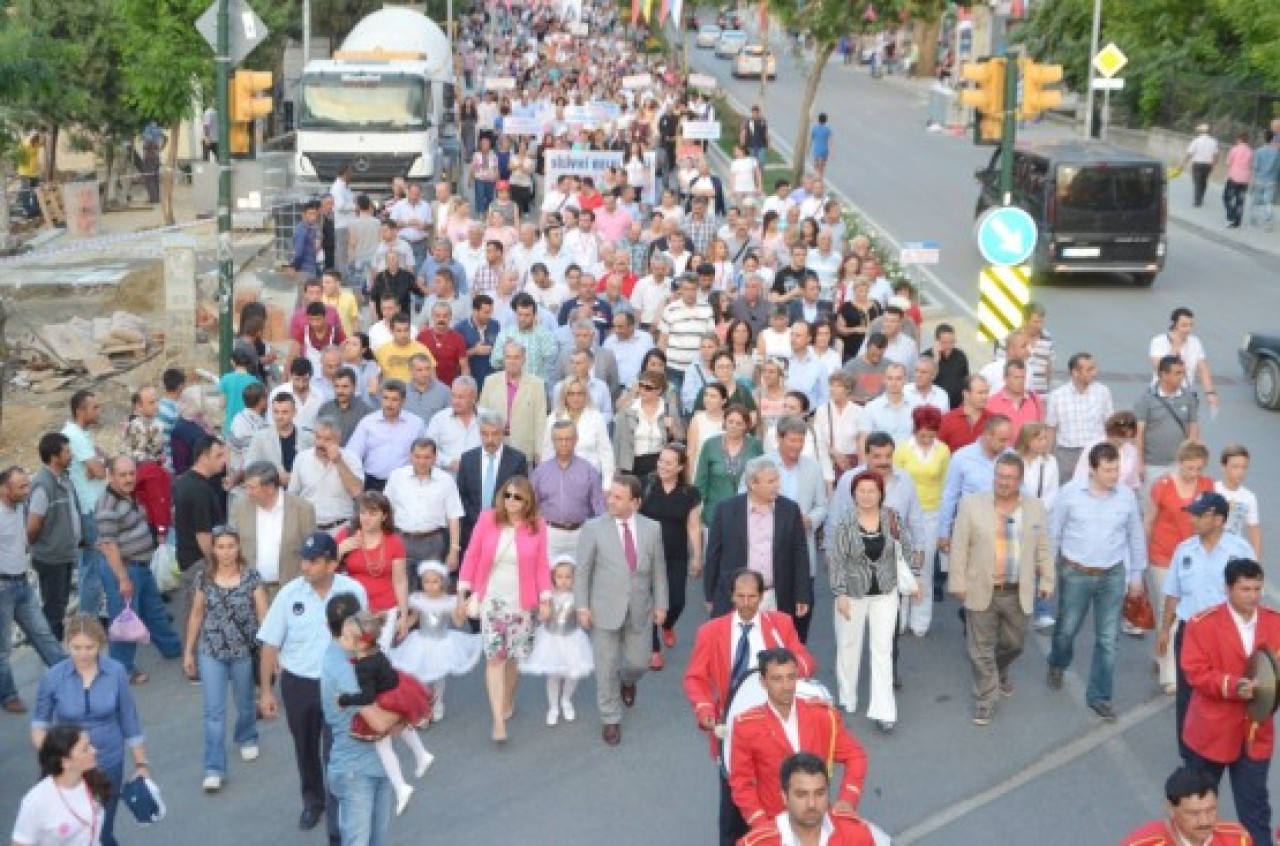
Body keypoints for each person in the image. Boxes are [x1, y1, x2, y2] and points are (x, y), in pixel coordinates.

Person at [684, 569, 816, 846]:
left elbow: (805, 661)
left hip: (773, 726)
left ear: (762, 596)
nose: (746, 603)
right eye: (740, 596)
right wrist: (706, 711)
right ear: (731, 595)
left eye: (752, 597)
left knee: (775, 804)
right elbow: (695, 678)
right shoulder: (710, 632)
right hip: (731, 730)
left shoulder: (781, 625)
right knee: (732, 811)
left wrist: (790, 671)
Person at [257, 531, 367, 838]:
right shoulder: (289, 595)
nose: (305, 566)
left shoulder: (353, 592)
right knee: (305, 747)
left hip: (338, 686)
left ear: (332, 564)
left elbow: (364, 640)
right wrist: (266, 691)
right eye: (303, 559)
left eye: (313, 560)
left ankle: (337, 812)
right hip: (299, 684)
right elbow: (269, 644)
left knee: (337, 752)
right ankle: (312, 801)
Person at [1180, 558, 1279, 846]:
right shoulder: (1202, 624)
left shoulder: (1275, 622)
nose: (1253, 596)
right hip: (1210, 735)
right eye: (1245, 589)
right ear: (1228, 589)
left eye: (1257, 589)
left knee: (1256, 813)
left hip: (1255, 735)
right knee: (1196, 812)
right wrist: (1235, 687)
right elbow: (1195, 672)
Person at [948, 454, 1053, 726]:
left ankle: (1000, 668)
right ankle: (985, 699)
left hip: (1018, 590)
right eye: (999, 476)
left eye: (1009, 478)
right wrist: (957, 582)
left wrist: (1048, 579)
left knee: (1014, 644)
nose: (1003, 482)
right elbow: (959, 545)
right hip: (981, 587)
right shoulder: (972, 505)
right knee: (979, 648)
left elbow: (1043, 547)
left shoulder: (1035, 507)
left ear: (1020, 480)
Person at [1046, 442, 1147, 723]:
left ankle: (1100, 696)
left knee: (1108, 639)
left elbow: (1135, 536)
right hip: (1075, 573)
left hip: (1112, 575)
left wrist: (1136, 574)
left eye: (1116, 468)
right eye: (1108, 470)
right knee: (1067, 629)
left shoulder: (1126, 496)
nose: (1114, 475)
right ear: (1092, 469)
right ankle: (1057, 662)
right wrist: (1049, 573)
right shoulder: (1070, 494)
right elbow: (1054, 533)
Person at [32, 615, 149, 846]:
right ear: (66, 644)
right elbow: (39, 726)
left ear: (101, 645)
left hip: (109, 761)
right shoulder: (53, 677)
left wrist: (141, 764)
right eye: (76, 648)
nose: (83, 654)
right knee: (76, 831)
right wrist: (55, 760)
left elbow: (129, 719)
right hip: (70, 766)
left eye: (89, 647)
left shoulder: (116, 672)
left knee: (102, 830)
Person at [1157, 491, 1256, 756]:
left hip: (1226, 636)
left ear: (1219, 519)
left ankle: (1226, 747)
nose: (1193, 520)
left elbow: (1250, 594)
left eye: (1200, 515)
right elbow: (1173, 593)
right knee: (1188, 697)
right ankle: (1190, 755)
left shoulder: (1240, 551)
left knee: (1225, 693)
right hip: (1190, 633)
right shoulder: (1184, 550)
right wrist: (1165, 631)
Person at [574, 474, 668, 747]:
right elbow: (582, 572)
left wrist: (661, 604)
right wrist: (582, 606)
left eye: (618, 497)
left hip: (640, 608)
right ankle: (610, 718)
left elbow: (659, 572)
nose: (610, 500)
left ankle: (627, 681)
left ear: (635, 503)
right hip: (603, 608)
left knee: (639, 663)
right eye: (610, 495)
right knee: (605, 667)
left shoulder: (652, 529)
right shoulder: (593, 528)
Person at [728, 648, 868, 831]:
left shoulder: (822, 716)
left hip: (818, 821)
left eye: (791, 677)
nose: (786, 686)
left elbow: (856, 756)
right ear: (763, 682)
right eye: (777, 679)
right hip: (776, 824)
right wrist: (761, 824)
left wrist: (848, 799)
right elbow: (741, 783)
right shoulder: (746, 727)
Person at [457, 475, 552, 743]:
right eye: (507, 495)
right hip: (492, 600)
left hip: (522, 602)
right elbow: (472, 554)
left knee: (514, 657)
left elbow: (543, 565)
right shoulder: (488, 519)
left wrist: (545, 599)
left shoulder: (538, 526)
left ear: (528, 502)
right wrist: (463, 592)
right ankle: (498, 721)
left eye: (517, 497)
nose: (511, 501)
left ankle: (507, 698)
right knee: (496, 657)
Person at [828, 471, 917, 732]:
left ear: (881, 493)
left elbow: (906, 548)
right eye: (861, 491)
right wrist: (840, 592)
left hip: (885, 593)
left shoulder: (892, 518)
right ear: (853, 494)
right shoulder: (844, 522)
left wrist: (915, 577)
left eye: (872, 491)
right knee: (848, 645)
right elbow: (836, 560)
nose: (866, 496)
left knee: (882, 651)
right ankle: (848, 696)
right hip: (852, 594)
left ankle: (884, 710)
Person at [182, 525, 267, 792]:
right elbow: (196, 615)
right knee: (213, 712)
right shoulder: (203, 578)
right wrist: (189, 651)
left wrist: (271, 652)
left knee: (244, 703)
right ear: (213, 550)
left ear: (238, 547)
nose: (226, 552)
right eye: (221, 547)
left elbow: (264, 615)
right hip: (212, 652)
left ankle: (247, 736)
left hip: (243, 651)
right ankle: (213, 768)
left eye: (231, 546)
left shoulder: (252, 577)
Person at [319, 593, 399, 846]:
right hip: (356, 772)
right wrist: (409, 708)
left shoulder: (360, 657)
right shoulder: (344, 669)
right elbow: (379, 722)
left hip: (373, 763)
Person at [334, 611, 432, 816]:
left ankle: (401, 787)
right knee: (404, 724)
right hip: (399, 691)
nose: (340, 640)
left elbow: (367, 697)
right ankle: (421, 753)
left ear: (360, 644)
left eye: (344, 637)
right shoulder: (377, 652)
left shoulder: (363, 667)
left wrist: (345, 699)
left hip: (385, 700)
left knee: (382, 746)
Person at [95, 456, 182, 684]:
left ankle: (173, 649)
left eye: (131, 473)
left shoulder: (128, 496)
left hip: (140, 567)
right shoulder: (107, 505)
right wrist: (122, 579)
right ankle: (122, 668)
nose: (128, 479)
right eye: (122, 475)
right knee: (125, 619)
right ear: (110, 476)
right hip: (123, 569)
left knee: (155, 610)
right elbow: (108, 544)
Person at [705, 457, 811, 623]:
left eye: (777, 479)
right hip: (738, 599)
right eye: (770, 481)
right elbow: (713, 555)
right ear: (753, 484)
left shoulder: (790, 510)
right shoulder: (725, 510)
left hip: (776, 597)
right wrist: (710, 595)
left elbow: (800, 555)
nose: (777, 485)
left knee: (776, 647)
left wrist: (802, 594)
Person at [1144, 441, 1214, 683]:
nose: (1193, 473)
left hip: (1192, 556)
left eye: (1198, 468)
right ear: (1180, 463)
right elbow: (1150, 520)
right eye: (1189, 468)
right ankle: (1169, 676)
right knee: (1169, 613)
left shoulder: (1207, 486)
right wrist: (1142, 552)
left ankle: (1162, 654)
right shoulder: (1162, 486)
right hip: (1163, 555)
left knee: (1192, 610)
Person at [0, 465, 66, 715]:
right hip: (2, 586)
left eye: (27, 485)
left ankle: (67, 677)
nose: (27, 490)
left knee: (43, 633)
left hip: (21, 583)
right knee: (3, 649)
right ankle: (8, 695)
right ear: (4, 489)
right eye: (21, 487)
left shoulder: (19, 508)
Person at [388, 561, 481, 722]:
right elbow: (414, 618)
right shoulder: (417, 599)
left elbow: (458, 623)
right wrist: (401, 626)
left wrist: (463, 610)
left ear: (443, 582)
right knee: (419, 675)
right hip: (421, 641)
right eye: (426, 582)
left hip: (441, 643)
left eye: (434, 582)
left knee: (438, 676)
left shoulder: (449, 602)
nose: (430, 586)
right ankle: (422, 704)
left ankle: (437, 704)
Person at [640, 445, 702, 671]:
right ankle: (654, 649)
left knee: (676, 602)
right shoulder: (646, 485)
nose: (662, 466)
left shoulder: (690, 493)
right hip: (647, 555)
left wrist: (697, 556)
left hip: (676, 555)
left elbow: (693, 526)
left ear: (680, 467)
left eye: (668, 463)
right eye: (660, 461)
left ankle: (668, 624)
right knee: (649, 603)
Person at [892, 405, 951, 636]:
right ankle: (899, 619)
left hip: (931, 513)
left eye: (931, 434)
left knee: (923, 567)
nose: (926, 439)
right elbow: (895, 483)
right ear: (915, 430)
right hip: (904, 513)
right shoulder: (903, 450)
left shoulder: (943, 451)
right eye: (922, 434)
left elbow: (946, 487)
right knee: (900, 565)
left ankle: (921, 620)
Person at [736, 752, 879, 846]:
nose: (812, 804)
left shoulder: (857, 834)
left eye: (819, 793)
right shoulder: (756, 844)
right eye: (801, 795)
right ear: (784, 797)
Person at [520, 557, 595, 726]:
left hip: (573, 639)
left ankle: (566, 700)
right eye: (559, 577)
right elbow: (538, 615)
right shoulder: (548, 597)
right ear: (553, 577)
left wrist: (588, 617)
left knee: (572, 674)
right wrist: (541, 612)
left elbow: (585, 618)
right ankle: (553, 706)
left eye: (568, 577)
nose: (563, 581)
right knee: (553, 675)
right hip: (551, 640)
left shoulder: (579, 597)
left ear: (574, 578)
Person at [172, 437, 227, 662]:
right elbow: (203, 534)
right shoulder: (199, 490)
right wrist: (216, 564)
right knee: (197, 613)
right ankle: (193, 661)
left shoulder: (185, 482)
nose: (223, 461)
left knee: (196, 612)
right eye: (218, 456)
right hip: (198, 561)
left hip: (187, 557)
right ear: (203, 457)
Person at [231, 461, 318, 600]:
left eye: (252, 488)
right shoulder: (240, 508)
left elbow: (312, 552)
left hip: (291, 591)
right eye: (246, 487)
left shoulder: (302, 509)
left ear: (270, 487)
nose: (248, 493)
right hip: (250, 592)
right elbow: (232, 546)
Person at [27, 435, 83, 643]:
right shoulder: (43, 486)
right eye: (66, 451)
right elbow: (33, 526)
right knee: (53, 606)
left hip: (65, 553)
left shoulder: (64, 479)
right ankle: (51, 650)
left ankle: (54, 644)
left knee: (60, 602)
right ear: (54, 457)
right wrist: (43, 547)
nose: (71, 455)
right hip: (51, 556)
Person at [385, 438, 463, 574]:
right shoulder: (397, 477)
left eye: (427, 457)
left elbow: (454, 516)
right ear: (410, 456)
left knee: (432, 590)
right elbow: (386, 510)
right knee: (403, 588)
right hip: (402, 540)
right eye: (417, 456)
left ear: (434, 458)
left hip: (433, 542)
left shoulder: (446, 480)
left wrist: (454, 551)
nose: (421, 462)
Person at [1118, 767, 1251, 846]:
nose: (1204, 821)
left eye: (1210, 810)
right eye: (1193, 813)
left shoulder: (1238, 839)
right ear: (1170, 808)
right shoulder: (1143, 843)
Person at [62, 391, 107, 623]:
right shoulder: (74, 436)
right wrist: (99, 466)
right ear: (81, 411)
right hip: (88, 508)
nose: (99, 412)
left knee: (95, 563)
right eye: (95, 408)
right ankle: (87, 621)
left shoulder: (82, 434)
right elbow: (98, 471)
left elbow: (100, 464)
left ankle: (93, 613)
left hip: (94, 505)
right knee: (91, 565)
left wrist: (100, 464)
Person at [532, 421, 606, 560]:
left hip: (581, 533)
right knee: (549, 577)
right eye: (559, 439)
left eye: (568, 439)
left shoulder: (589, 471)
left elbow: (599, 508)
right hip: (549, 533)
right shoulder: (540, 472)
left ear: (576, 440)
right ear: (553, 441)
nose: (564, 443)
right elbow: (531, 506)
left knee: (580, 577)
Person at [455, 411, 528, 551]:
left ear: (503, 433)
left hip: (506, 528)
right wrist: (479, 520)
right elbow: (461, 495)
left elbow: (521, 496)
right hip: (472, 529)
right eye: (485, 434)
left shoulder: (517, 460)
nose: (490, 439)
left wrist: (500, 519)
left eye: (495, 434)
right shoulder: (468, 459)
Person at [1045, 352, 1113, 484]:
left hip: (1096, 453)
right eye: (1089, 369)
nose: (1094, 372)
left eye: (1094, 368)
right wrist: (1048, 456)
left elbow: (1109, 424)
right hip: (1067, 455)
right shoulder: (1057, 396)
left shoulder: (1103, 392)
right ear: (1075, 372)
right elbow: (1051, 428)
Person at [288, 418, 364, 534]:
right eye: (318, 437)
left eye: (327, 439)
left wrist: (339, 462)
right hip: (309, 527)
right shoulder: (301, 458)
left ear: (338, 440)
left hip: (341, 527)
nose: (320, 443)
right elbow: (292, 495)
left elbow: (357, 492)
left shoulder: (352, 458)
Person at [348, 380, 426, 492]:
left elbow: (424, 454)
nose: (389, 404)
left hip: (405, 484)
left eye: (394, 400)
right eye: (385, 398)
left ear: (403, 401)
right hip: (372, 483)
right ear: (380, 398)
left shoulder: (416, 424)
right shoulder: (368, 422)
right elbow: (353, 454)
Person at [479, 341, 549, 464]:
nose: (512, 361)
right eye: (508, 357)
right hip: (494, 446)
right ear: (503, 359)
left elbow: (540, 421)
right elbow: (482, 417)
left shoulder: (537, 384)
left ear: (523, 360)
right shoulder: (490, 381)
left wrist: (539, 452)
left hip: (524, 449)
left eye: (516, 357)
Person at [246, 393, 315, 488]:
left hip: (301, 492)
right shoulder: (260, 438)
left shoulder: (308, 437)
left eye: (284, 412)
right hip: (271, 492)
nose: (279, 416)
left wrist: (294, 478)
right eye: (276, 412)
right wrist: (275, 478)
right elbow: (250, 467)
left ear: (294, 412)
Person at [1216, 444, 1261, 558]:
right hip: (1212, 552)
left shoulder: (1249, 497)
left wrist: (1256, 561)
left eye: (1244, 467)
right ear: (1223, 467)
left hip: (1235, 554)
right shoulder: (1212, 489)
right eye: (1235, 467)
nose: (1240, 472)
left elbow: (1254, 531)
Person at [1181, 123, 1219, 207]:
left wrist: (1183, 163)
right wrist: (1213, 165)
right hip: (1207, 164)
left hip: (1197, 164)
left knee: (1197, 182)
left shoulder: (1196, 140)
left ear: (1200, 132)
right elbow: (1215, 155)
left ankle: (1197, 201)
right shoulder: (1213, 141)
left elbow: (1189, 153)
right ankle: (1200, 196)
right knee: (1204, 181)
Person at [809, 113, 831, 178]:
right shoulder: (827, 130)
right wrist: (831, 152)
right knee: (822, 166)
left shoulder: (815, 129)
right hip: (824, 150)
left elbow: (811, 140)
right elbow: (830, 141)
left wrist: (808, 148)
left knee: (816, 164)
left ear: (818, 120)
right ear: (826, 121)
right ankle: (820, 177)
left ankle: (816, 175)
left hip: (817, 149)